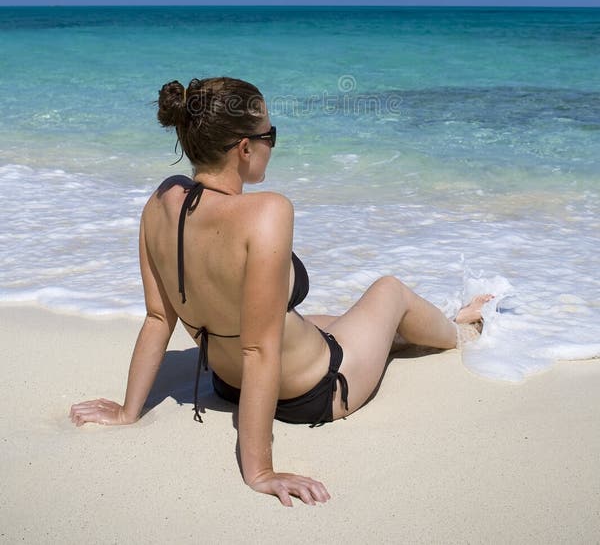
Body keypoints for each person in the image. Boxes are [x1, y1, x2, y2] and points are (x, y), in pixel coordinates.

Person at [70, 76, 492, 507]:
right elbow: (259, 350)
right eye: (270, 134)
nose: (273, 143)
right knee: (389, 292)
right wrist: (260, 471)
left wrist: (128, 411)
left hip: (228, 385)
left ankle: (403, 338)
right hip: (316, 392)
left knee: (324, 321)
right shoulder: (266, 211)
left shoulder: (162, 201)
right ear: (245, 148)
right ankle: (461, 332)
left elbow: (159, 319)